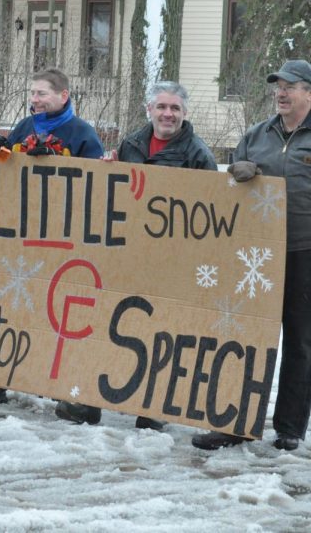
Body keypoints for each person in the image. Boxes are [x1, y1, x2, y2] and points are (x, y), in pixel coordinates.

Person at [192, 59, 311, 451]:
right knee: (246, 335)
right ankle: (233, 422)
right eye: (278, 87)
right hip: (258, 254)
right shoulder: (256, 135)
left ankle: (289, 429)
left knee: (303, 342)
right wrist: (239, 172)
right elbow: (232, 188)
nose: (281, 93)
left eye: (291, 86)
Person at [53, 80, 217, 430]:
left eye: (175, 108)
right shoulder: (131, 144)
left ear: (185, 114)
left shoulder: (198, 154)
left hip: (171, 262)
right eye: (162, 107)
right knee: (108, 323)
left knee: (160, 332)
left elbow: (210, 214)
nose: (168, 114)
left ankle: (154, 406)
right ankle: (89, 401)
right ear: (149, 110)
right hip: (127, 255)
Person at [0, 68, 104, 406]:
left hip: (66, 238)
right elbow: (7, 169)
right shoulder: (25, 128)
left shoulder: (82, 133)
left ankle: (61, 385)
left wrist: (58, 164)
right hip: (22, 235)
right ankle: (0, 377)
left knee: (56, 314)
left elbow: (99, 185)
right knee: (15, 306)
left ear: (63, 96)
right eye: (32, 93)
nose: (35, 100)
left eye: (42, 93)